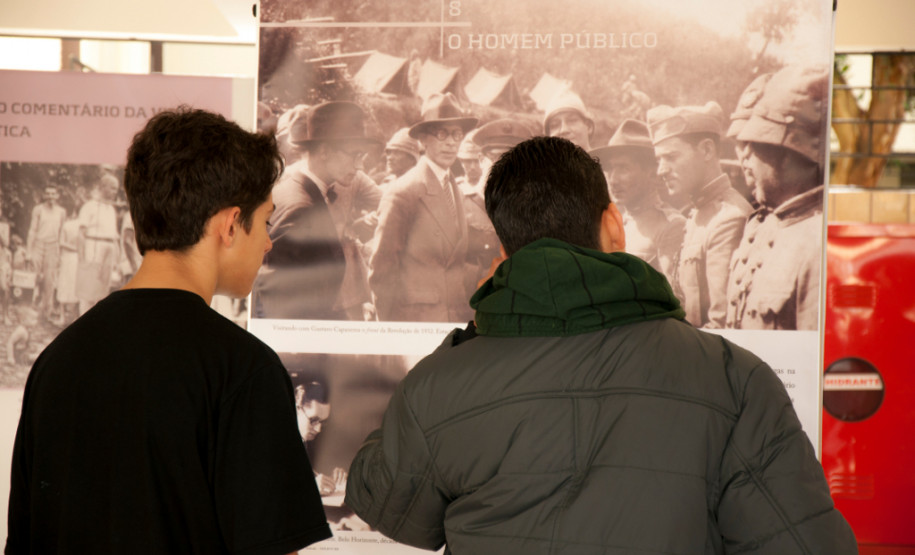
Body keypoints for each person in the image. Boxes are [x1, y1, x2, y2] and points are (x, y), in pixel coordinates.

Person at [344, 136, 857, 554]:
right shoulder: (732, 377)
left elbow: (388, 504)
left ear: (505, 250)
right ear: (613, 224)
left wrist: (451, 359)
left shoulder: (442, 384)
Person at [6, 107, 332, 553]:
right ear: (230, 225)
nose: (269, 242)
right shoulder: (242, 369)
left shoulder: (57, 360)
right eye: (267, 221)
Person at [253, 101, 382, 320]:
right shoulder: (302, 210)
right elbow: (278, 301)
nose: (359, 166)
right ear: (323, 151)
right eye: (353, 155)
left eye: (362, 156)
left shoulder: (301, 190)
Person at [728, 65, 829, 330]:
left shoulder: (820, 244)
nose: (745, 155)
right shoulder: (770, 224)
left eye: (755, 144)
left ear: (785, 153)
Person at [369, 92, 478, 322]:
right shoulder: (403, 192)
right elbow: (382, 272)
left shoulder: (454, 189)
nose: (450, 142)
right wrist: (391, 332)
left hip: (453, 322)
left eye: (456, 134)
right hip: (416, 324)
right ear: (422, 140)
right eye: (441, 134)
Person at [648, 101, 752, 328]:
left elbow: (723, 325)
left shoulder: (729, 218)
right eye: (659, 160)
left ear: (706, 150)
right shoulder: (697, 215)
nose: (661, 170)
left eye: (671, 157)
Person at [591, 118, 686, 276]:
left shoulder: (671, 226)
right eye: (611, 169)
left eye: (623, 168)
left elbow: (672, 296)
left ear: (651, 174)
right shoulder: (617, 225)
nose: (613, 179)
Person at [75, 173, 121, 315]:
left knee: (102, 292)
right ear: (102, 187)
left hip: (109, 251)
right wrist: (82, 258)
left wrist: (117, 260)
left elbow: (114, 237)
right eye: (112, 188)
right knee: (88, 291)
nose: (115, 192)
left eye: (116, 189)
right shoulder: (89, 206)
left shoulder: (112, 210)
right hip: (93, 248)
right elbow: (81, 234)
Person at [26, 185, 66, 321]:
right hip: (38, 245)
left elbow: (61, 233)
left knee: (49, 280)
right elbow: (32, 230)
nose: (50, 196)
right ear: (44, 195)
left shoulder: (61, 212)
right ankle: (29, 310)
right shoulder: (38, 209)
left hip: (52, 247)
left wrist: (60, 252)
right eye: (48, 193)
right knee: (34, 278)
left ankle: (46, 313)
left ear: (57, 196)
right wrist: (28, 252)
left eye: (53, 194)